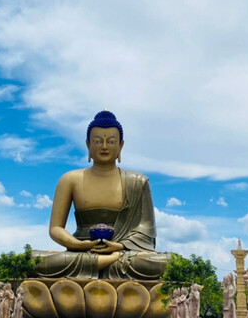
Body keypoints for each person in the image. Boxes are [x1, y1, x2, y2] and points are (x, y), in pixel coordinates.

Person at [31, 110, 170, 280]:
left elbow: (146, 231)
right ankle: (104, 262)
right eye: (97, 141)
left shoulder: (138, 181)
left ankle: (104, 262)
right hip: (80, 252)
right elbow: (55, 228)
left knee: (167, 263)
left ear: (121, 146)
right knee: (34, 261)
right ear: (88, 145)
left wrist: (118, 247)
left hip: (123, 254)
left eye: (111, 141)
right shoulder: (70, 179)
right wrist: (78, 245)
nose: (104, 146)